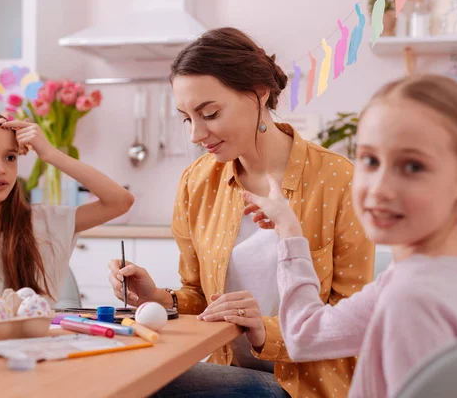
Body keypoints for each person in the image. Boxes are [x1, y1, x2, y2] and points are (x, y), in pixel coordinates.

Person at [108, 27, 374, 397]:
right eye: (187, 118)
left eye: (210, 113)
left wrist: (265, 330)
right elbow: (199, 298)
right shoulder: (198, 182)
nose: (195, 135)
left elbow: (356, 321)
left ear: (258, 93)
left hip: (310, 386)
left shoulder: (339, 180)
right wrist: (158, 297)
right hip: (229, 373)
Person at [242, 74, 457, 397]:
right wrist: (288, 227)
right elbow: (304, 336)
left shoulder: (411, 300)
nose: (379, 188)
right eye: (370, 160)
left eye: (413, 167)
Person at [0, 111, 134, 302]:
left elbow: (120, 201)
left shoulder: (42, 223)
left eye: (10, 157)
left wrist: (50, 154)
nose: (0, 168)